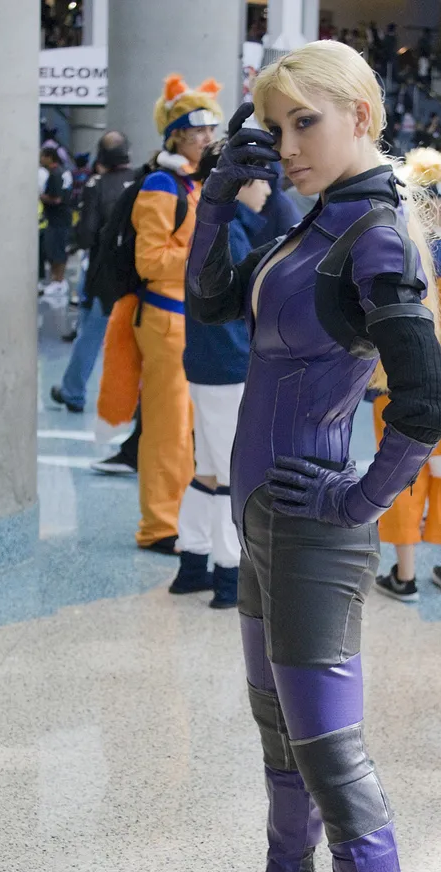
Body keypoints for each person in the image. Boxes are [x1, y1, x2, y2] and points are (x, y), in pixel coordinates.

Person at [186, 41, 441, 872]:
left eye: (306, 121)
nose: (288, 144)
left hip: (311, 528)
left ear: (361, 115)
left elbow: (431, 401)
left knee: (334, 763)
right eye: (275, 127)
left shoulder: (375, 236)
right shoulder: (318, 222)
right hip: (264, 516)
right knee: (277, 728)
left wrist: (357, 501)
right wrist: (219, 194)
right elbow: (211, 301)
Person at [95, 75, 221, 553]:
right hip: (166, 319)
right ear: (175, 135)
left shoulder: (192, 183)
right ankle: (160, 526)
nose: (207, 137)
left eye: (210, 129)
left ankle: (180, 518)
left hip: (189, 321)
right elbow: (150, 261)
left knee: (188, 429)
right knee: (168, 430)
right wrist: (204, 259)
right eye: (197, 130)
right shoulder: (162, 184)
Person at [375, 150, 441, 600]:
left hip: (395, 383)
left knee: (401, 475)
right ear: (422, 200)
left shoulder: (393, 245)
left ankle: (405, 575)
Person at [170, 143, 271, 609]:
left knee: (208, 470)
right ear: (241, 182)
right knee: (233, 473)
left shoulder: (217, 228)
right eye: (263, 180)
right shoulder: (229, 234)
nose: (268, 190)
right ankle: (229, 577)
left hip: (208, 365)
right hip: (227, 366)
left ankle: (193, 564)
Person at [50, 131, 134, 414]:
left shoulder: (96, 185)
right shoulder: (144, 181)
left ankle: (73, 392)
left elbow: (86, 235)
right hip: (139, 273)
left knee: (90, 333)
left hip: (103, 273)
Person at [39, 146, 73, 299]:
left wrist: (41, 197)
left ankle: (58, 280)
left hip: (57, 219)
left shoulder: (55, 174)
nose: (40, 159)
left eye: (42, 156)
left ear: (49, 157)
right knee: (56, 249)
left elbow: (56, 198)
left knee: (56, 249)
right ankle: (57, 280)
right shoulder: (63, 171)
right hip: (61, 218)